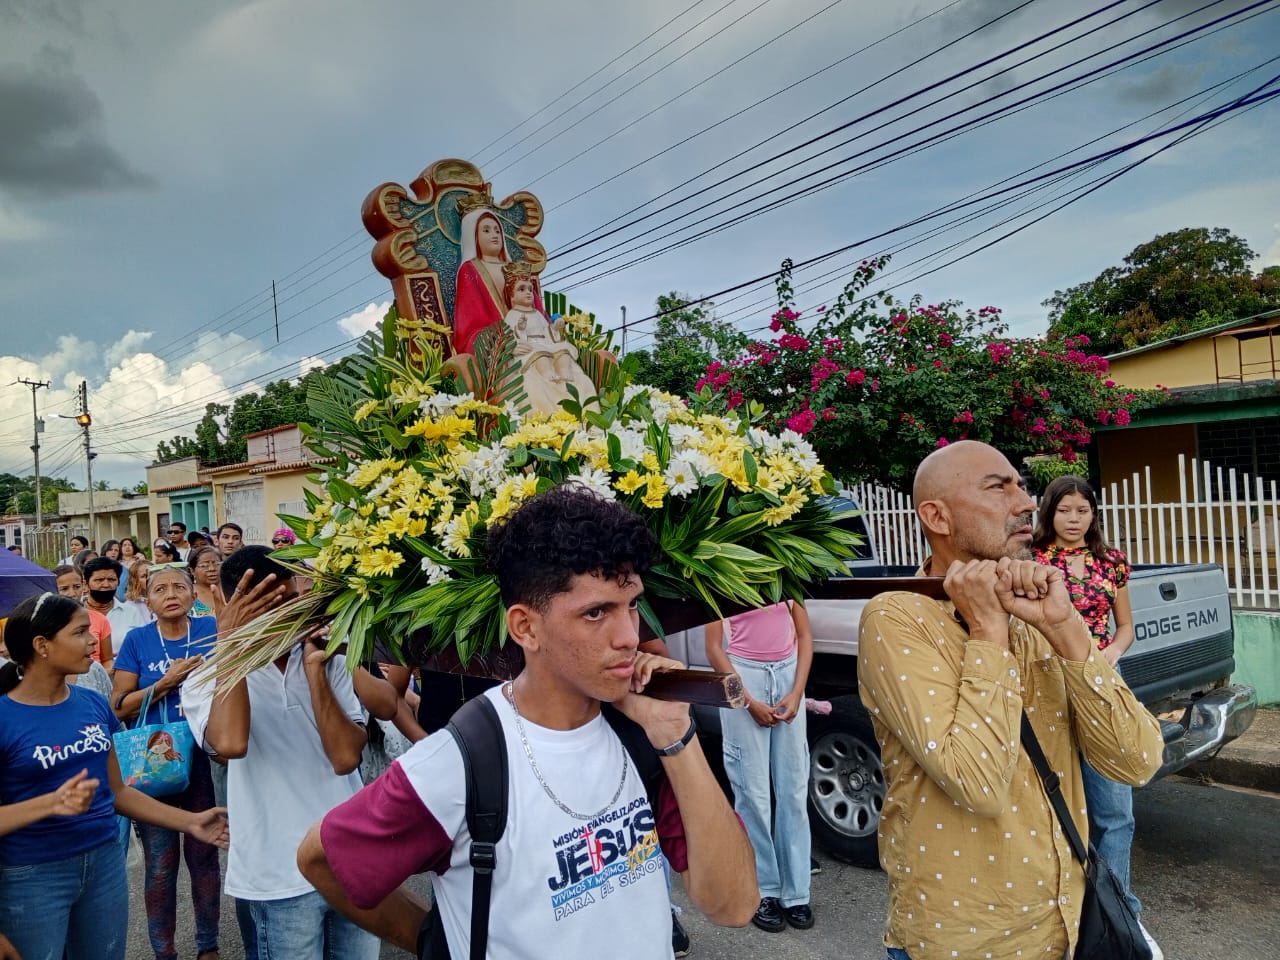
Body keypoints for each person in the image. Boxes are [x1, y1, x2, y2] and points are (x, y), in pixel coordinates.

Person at [296, 484, 758, 956]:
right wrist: (434, 941)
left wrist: (675, 736)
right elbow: (322, 860)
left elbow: (735, 906)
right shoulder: (460, 762)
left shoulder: (643, 735)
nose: (628, 636)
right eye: (596, 612)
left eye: (632, 605)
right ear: (525, 627)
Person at [857, 440, 1164, 960]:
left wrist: (1067, 630)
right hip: (969, 938)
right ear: (937, 516)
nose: (1026, 503)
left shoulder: (1036, 610)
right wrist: (987, 632)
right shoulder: (897, 618)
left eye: (1022, 485)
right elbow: (977, 784)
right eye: (999, 488)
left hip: (1067, 924)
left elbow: (1137, 761)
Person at [0, 593, 228, 960]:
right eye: (79, 633)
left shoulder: (91, 704)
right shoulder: (5, 717)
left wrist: (191, 822)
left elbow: (118, 792)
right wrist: (50, 803)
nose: (94, 641)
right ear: (42, 645)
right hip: (32, 876)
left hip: (104, 864)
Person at [180, 546, 381, 960]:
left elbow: (345, 758)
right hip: (277, 874)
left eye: (296, 598)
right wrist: (231, 645)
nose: (295, 614)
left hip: (349, 859)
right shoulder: (205, 675)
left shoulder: (330, 662)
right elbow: (230, 744)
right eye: (278, 604)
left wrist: (315, 675)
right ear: (242, 607)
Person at [1031, 475, 1160, 957]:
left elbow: (1125, 626)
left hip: (1103, 689)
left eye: (1081, 510)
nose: (1073, 519)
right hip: (1048, 691)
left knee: (1114, 810)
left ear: (1093, 514)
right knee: (1053, 806)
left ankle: (1119, 912)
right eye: (1064, 510)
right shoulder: (1034, 562)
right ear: (1050, 512)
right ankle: (1061, 911)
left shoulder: (1111, 562)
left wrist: (1109, 654)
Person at [111, 566, 222, 960]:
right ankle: (164, 952)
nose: (171, 594)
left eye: (179, 586)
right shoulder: (137, 640)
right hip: (151, 766)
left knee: (205, 855)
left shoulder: (212, 631)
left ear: (194, 594)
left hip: (204, 760)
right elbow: (119, 704)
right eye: (160, 589)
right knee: (160, 864)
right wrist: (165, 682)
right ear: (148, 599)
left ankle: (208, 946)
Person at [705, 600, 815, 933]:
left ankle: (796, 892)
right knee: (752, 795)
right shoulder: (721, 576)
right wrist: (748, 701)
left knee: (794, 790)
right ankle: (763, 890)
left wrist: (797, 692)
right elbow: (713, 648)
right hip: (743, 675)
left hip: (787, 673)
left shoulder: (784, 571)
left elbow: (805, 636)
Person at [501, 265, 597, 415]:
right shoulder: (513, 314)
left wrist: (555, 328)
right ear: (511, 296)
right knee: (541, 353)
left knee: (563, 351)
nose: (528, 293)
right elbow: (509, 335)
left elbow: (547, 332)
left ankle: (564, 371)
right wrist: (520, 329)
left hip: (547, 344)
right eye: (521, 289)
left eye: (530, 289)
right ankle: (546, 373)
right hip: (531, 348)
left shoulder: (538, 314)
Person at [452, 206, 513, 355]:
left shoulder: (515, 268)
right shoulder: (470, 270)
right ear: (474, 236)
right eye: (486, 230)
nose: (494, 235)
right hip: (495, 342)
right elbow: (469, 320)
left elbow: (534, 305)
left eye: (497, 231)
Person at [83, 556, 148, 661]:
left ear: (118, 582)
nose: (106, 585)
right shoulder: (75, 614)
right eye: (99, 580)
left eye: (111, 579)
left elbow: (144, 646)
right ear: (86, 584)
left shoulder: (131, 612)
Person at [54, 565, 113, 667]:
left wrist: (102, 674)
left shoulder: (99, 619)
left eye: (77, 587)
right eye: (64, 589)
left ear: (84, 586)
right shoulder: (48, 622)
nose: (72, 593)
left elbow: (107, 660)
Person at [187, 547, 224, 619]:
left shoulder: (233, 590)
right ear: (192, 570)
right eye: (204, 566)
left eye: (216, 564)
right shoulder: (187, 595)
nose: (212, 569)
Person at [124, 558, 156, 624]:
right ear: (135, 581)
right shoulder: (128, 606)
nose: (149, 579)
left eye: (152, 574)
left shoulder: (165, 600)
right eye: (144, 576)